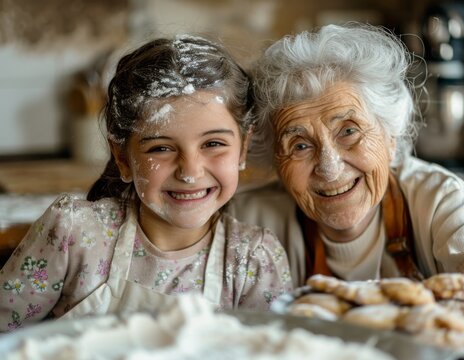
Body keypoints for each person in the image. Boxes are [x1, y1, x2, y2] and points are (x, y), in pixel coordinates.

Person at [0, 34, 292, 332]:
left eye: (213, 143)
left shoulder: (253, 260)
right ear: (123, 158)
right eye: (161, 148)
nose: (190, 172)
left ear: (243, 148)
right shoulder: (75, 234)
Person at [227, 23, 464, 289]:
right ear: (276, 163)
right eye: (299, 145)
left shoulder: (435, 201)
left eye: (348, 131)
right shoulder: (251, 220)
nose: (329, 167)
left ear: (391, 137)